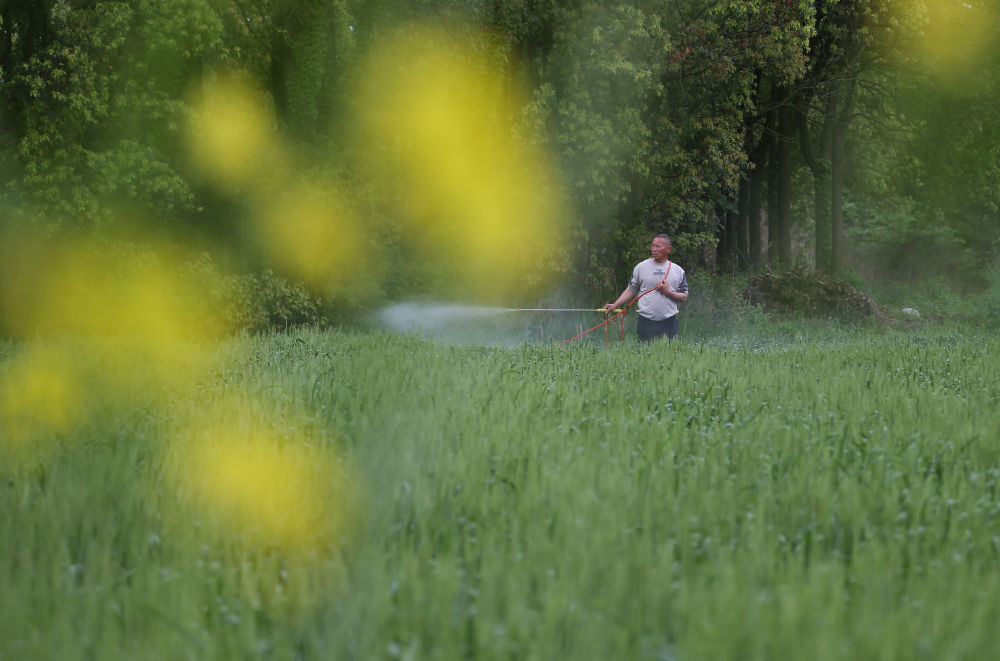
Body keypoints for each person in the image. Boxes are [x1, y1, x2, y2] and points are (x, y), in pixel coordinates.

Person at [603, 234, 688, 342]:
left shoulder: (678, 270)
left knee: (669, 356)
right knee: (645, 355)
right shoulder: (641, 267)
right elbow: (631, 289)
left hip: (669, 322)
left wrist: (668, 292)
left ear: (668, 249)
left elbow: (684, 296)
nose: (654, 249)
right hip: (646, 321)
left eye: (658, 246)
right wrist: (615, 304)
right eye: (653, 246)